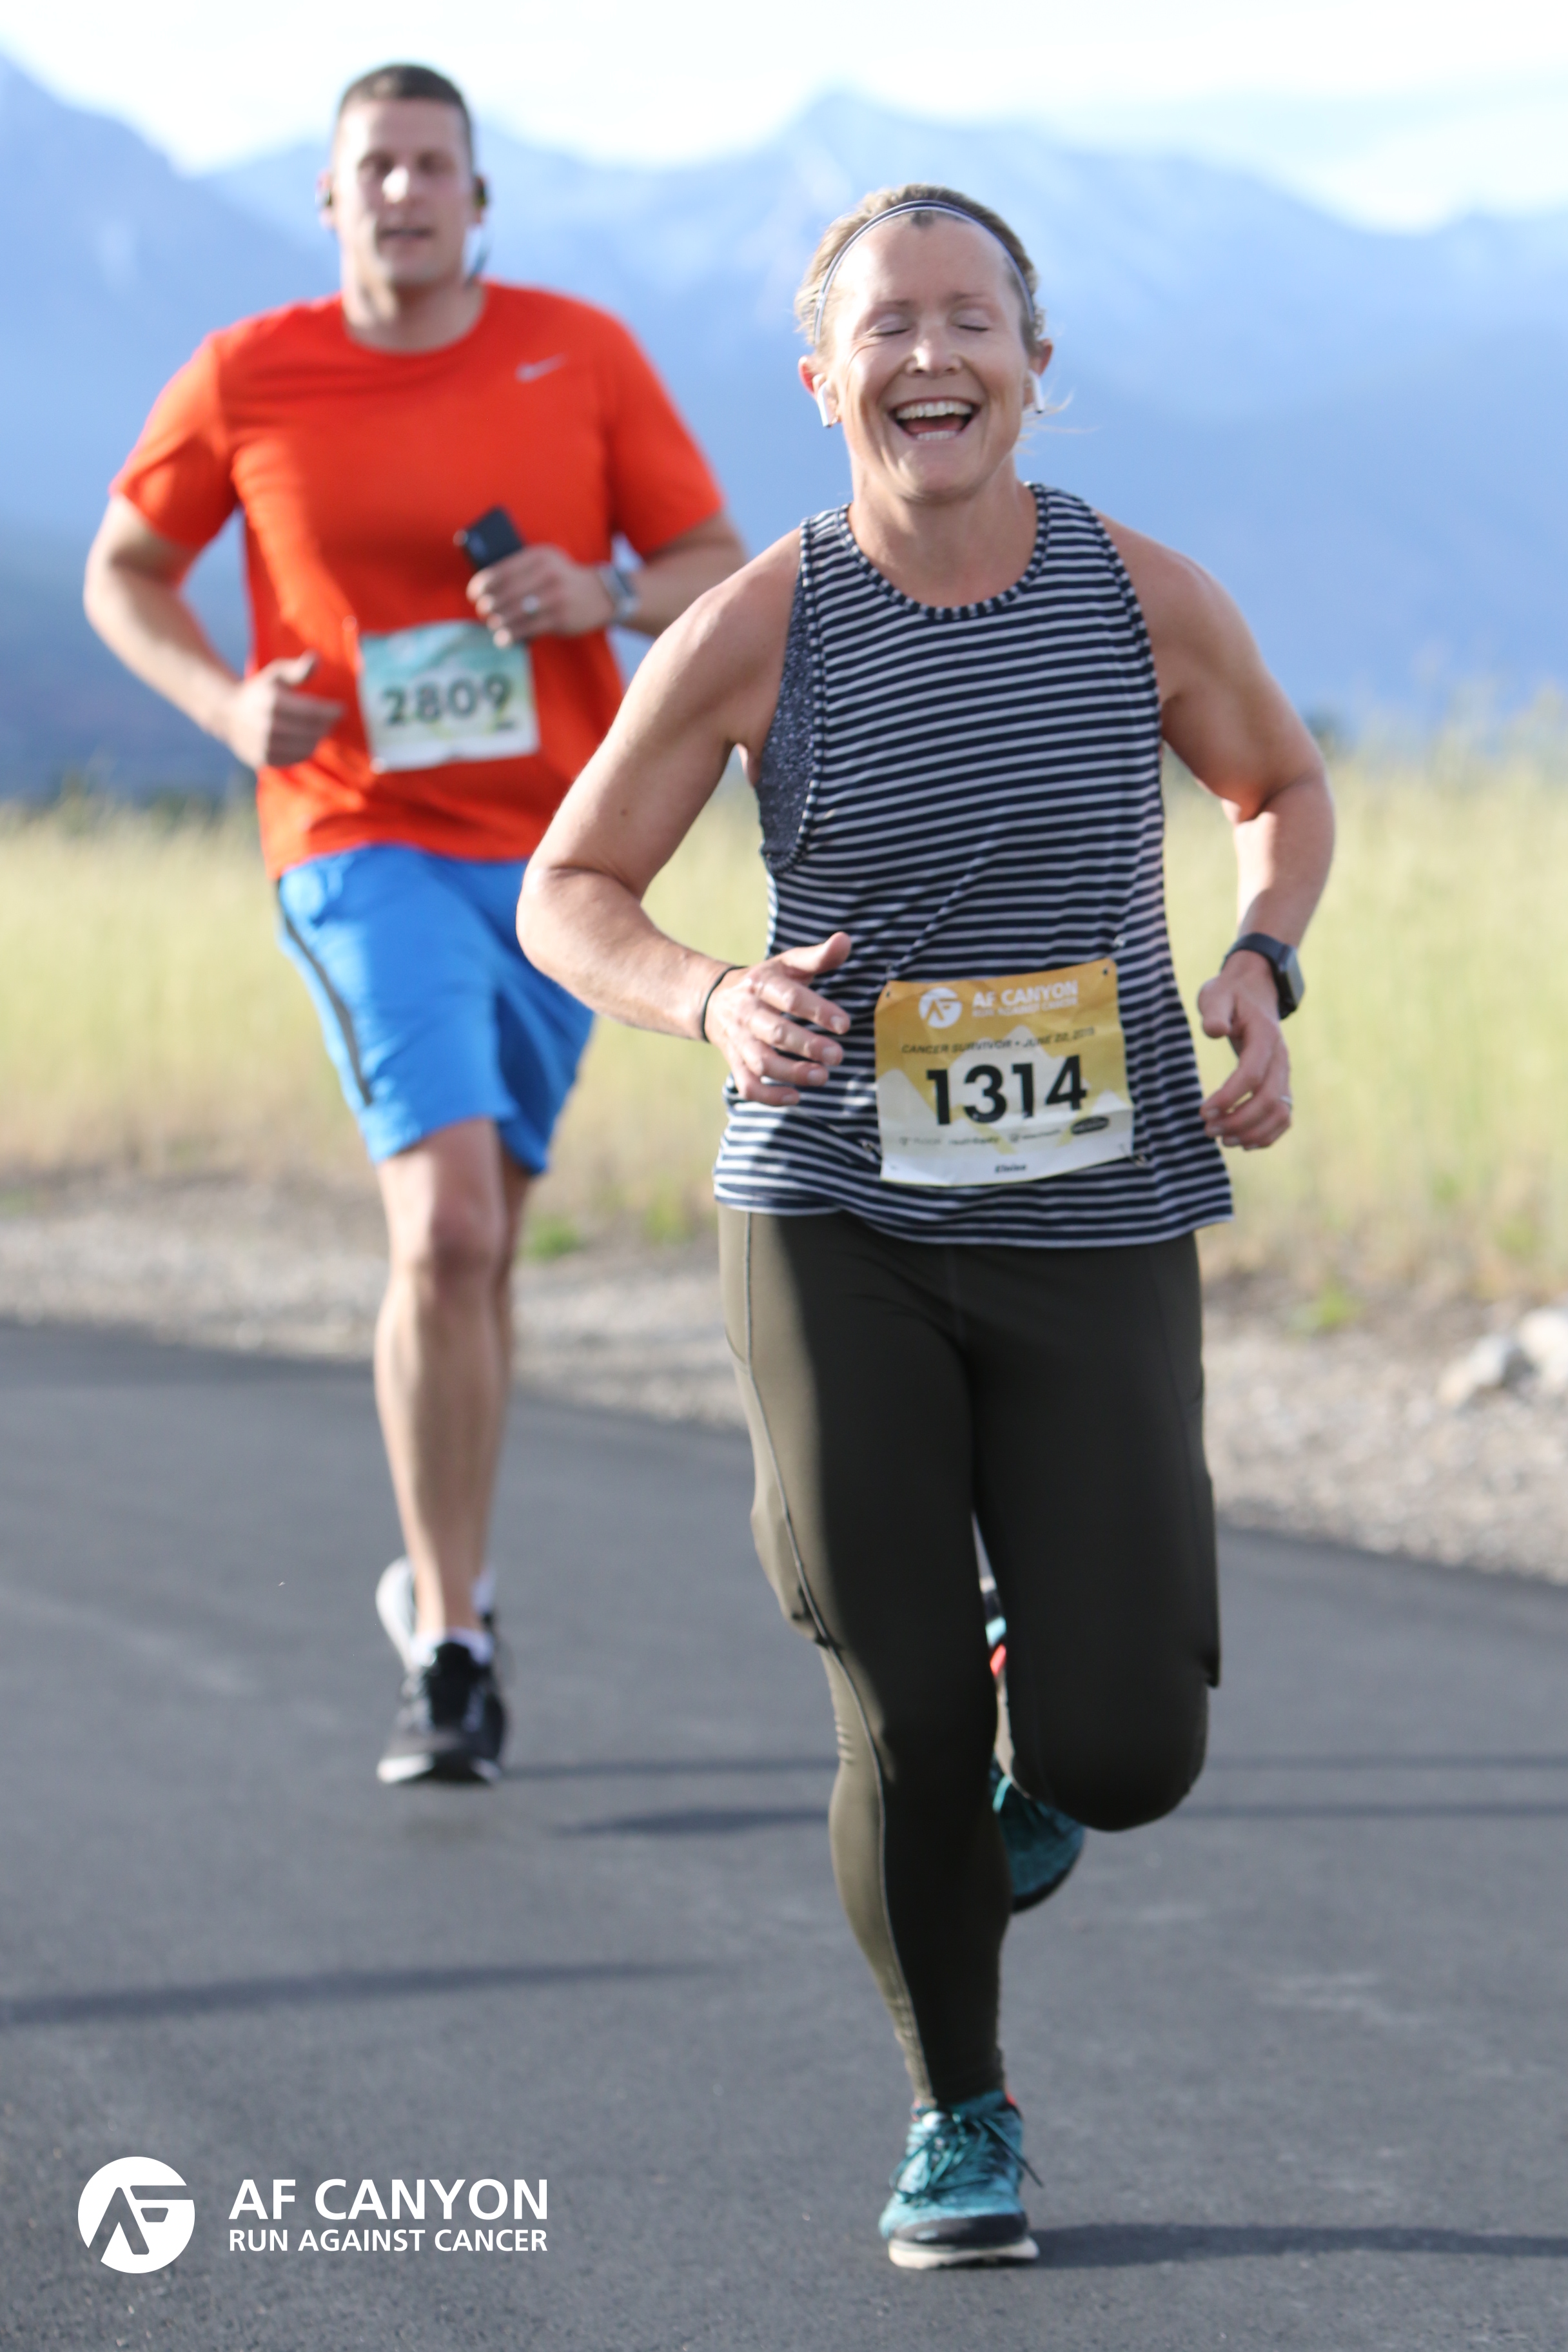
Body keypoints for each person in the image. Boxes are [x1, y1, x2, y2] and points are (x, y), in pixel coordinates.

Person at [519, 182, 1333, 2267]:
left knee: (1126, 1749)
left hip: (1098, 1204)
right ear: (823, 379)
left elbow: (1283, 792)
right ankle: (957, 2112)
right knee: (900, 1709)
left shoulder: (1141, 597)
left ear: (1036, 365)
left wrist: (1261, 964)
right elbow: (569, 893)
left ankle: (1032, 1700)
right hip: (831, 1214)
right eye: (887, 325)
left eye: (972, 319)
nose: (932, 355)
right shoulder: (758, 624)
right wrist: (712, 996)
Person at [84, 63, 743, 1787]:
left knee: (487, 1244)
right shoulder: (248, 371)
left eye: (431, 164)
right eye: (372, 165)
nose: (402, 191)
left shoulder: (578, 353)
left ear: (476, 195)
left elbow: (717, 563)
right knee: (444, 1235)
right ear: (330, 197)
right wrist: (226, 707)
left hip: (562, 867)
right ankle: (450, 1645)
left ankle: (452, 1578)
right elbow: (122, 572)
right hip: (356, 836)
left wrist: (602, 589)